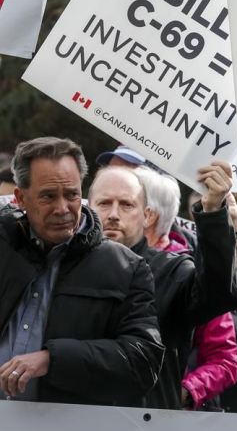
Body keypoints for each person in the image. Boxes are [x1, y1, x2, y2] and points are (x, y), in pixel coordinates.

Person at [0, 137, 164, 404]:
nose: (62, 208)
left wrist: (52, 359)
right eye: (48, 196)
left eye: (72, 194)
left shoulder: (125, 268)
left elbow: (143, 361)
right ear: (20, 198)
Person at [87, 164, 237, 409]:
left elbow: (219, 294)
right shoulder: (63, 267)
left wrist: (212, 213)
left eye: (126, 205)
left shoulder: (175, 272)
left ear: (147, 215)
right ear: (87, 210)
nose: (113, 214)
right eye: (104, 203)